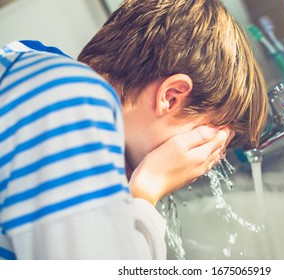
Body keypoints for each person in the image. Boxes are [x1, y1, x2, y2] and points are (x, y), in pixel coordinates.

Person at [0, 0, 267, 260]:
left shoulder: (30, 71)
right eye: (206, 140)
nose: (201, 165)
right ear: (171, 97)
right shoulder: (68, 98)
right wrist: (148, 188)